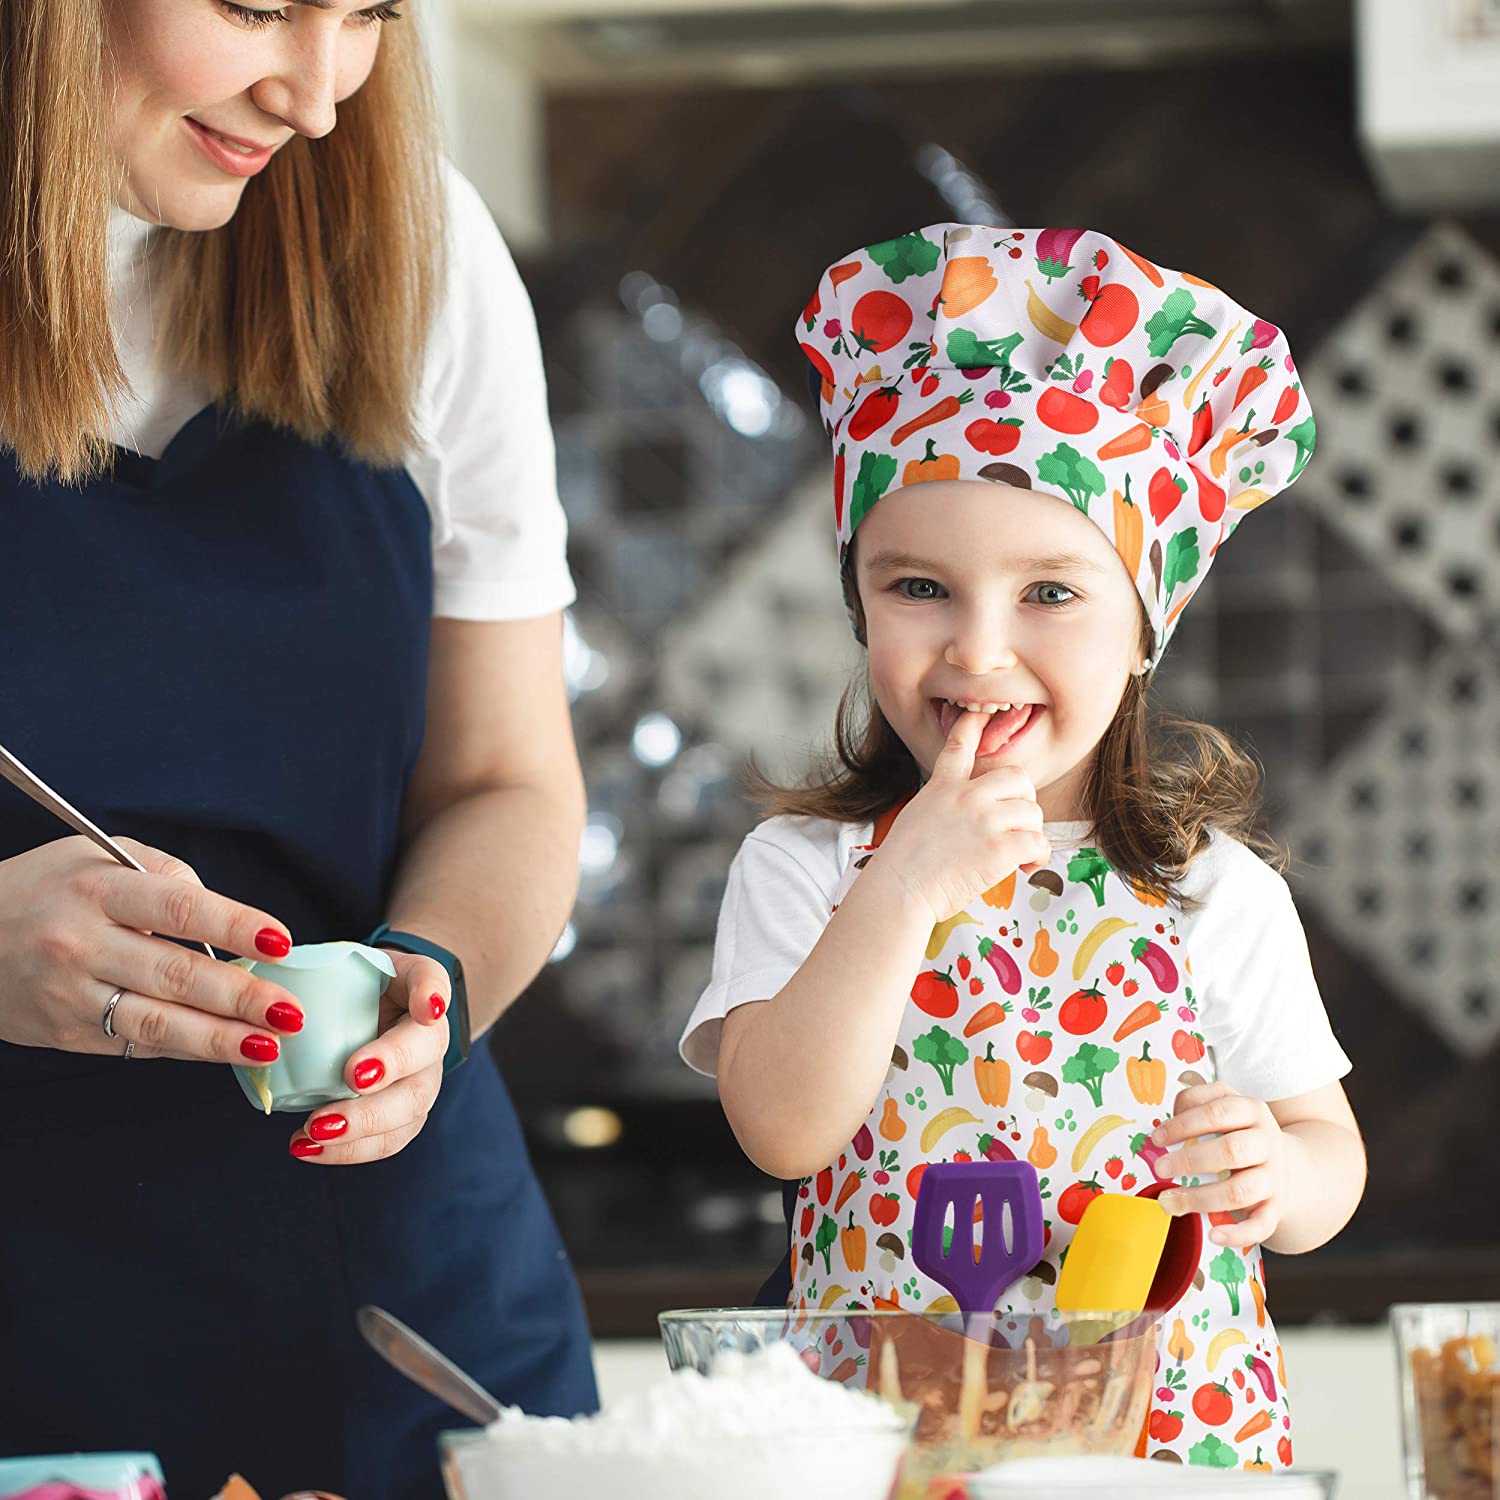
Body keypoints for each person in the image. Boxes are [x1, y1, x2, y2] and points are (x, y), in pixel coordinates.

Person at [0, 3, 596, 1495]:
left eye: (373, 14)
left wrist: (434, 995)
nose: (320, 96)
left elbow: (507, 785)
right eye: (259, 5)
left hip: (402, 1302)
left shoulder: (423, 250)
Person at [680, 224, 1366, 1468]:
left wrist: (1280, 1177)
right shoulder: (806, 870)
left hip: (1164, 1455)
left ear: (1144, 624)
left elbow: (1328, 1153)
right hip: (889, 1453)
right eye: (917, 588)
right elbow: (782, 1129)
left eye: (1049, 594)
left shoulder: (1211, 892)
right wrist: (903, 888)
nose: (979, 650)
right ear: (859, 605)